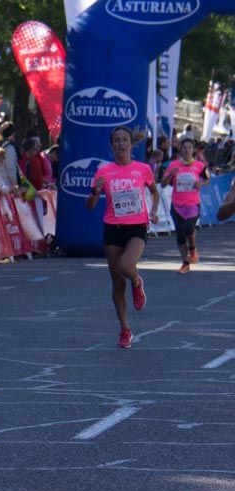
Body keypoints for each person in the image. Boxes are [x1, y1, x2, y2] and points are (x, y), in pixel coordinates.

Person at [86, 126, 160, 349]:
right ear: (112, 145)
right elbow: (90, 206)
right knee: (118, 283)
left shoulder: (143, 169)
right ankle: (125, 329)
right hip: (113, 228)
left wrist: (154, 210)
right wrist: (95, 193)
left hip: (137, 226)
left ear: (131, 143)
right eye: (116, 140)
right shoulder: (103, 172)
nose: (120, 144)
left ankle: (137, 282)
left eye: (124, 140)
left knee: (127, 266)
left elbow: (155, 192)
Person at [161, 137, 209, 273]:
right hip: (177, 205)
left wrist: (201, 183)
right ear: (180, 150)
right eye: (184, 147)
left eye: (189, 147)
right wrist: (170, 174)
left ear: (193, 150)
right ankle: (185, 263)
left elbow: (208, 179)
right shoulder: (173, 165)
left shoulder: (200, 165)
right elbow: (163, 184)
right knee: (180, 235)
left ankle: (192, 248)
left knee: (188, 227)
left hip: (193, 205)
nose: (187, 150)